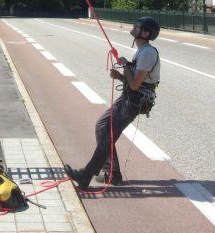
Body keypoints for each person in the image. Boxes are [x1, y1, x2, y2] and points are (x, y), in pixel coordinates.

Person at [64, 16, 160, 188]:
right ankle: (112, 173)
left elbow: (136, 84)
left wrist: (125, 66)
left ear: (146, 33)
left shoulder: (147, 53)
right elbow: (134, 81)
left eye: (137, 26)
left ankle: (86, 175)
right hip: (129, 97)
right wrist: (121, 76)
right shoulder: (142, 51)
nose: (133, 26)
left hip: (134, 101)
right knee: (102, 126)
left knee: (107, 134)